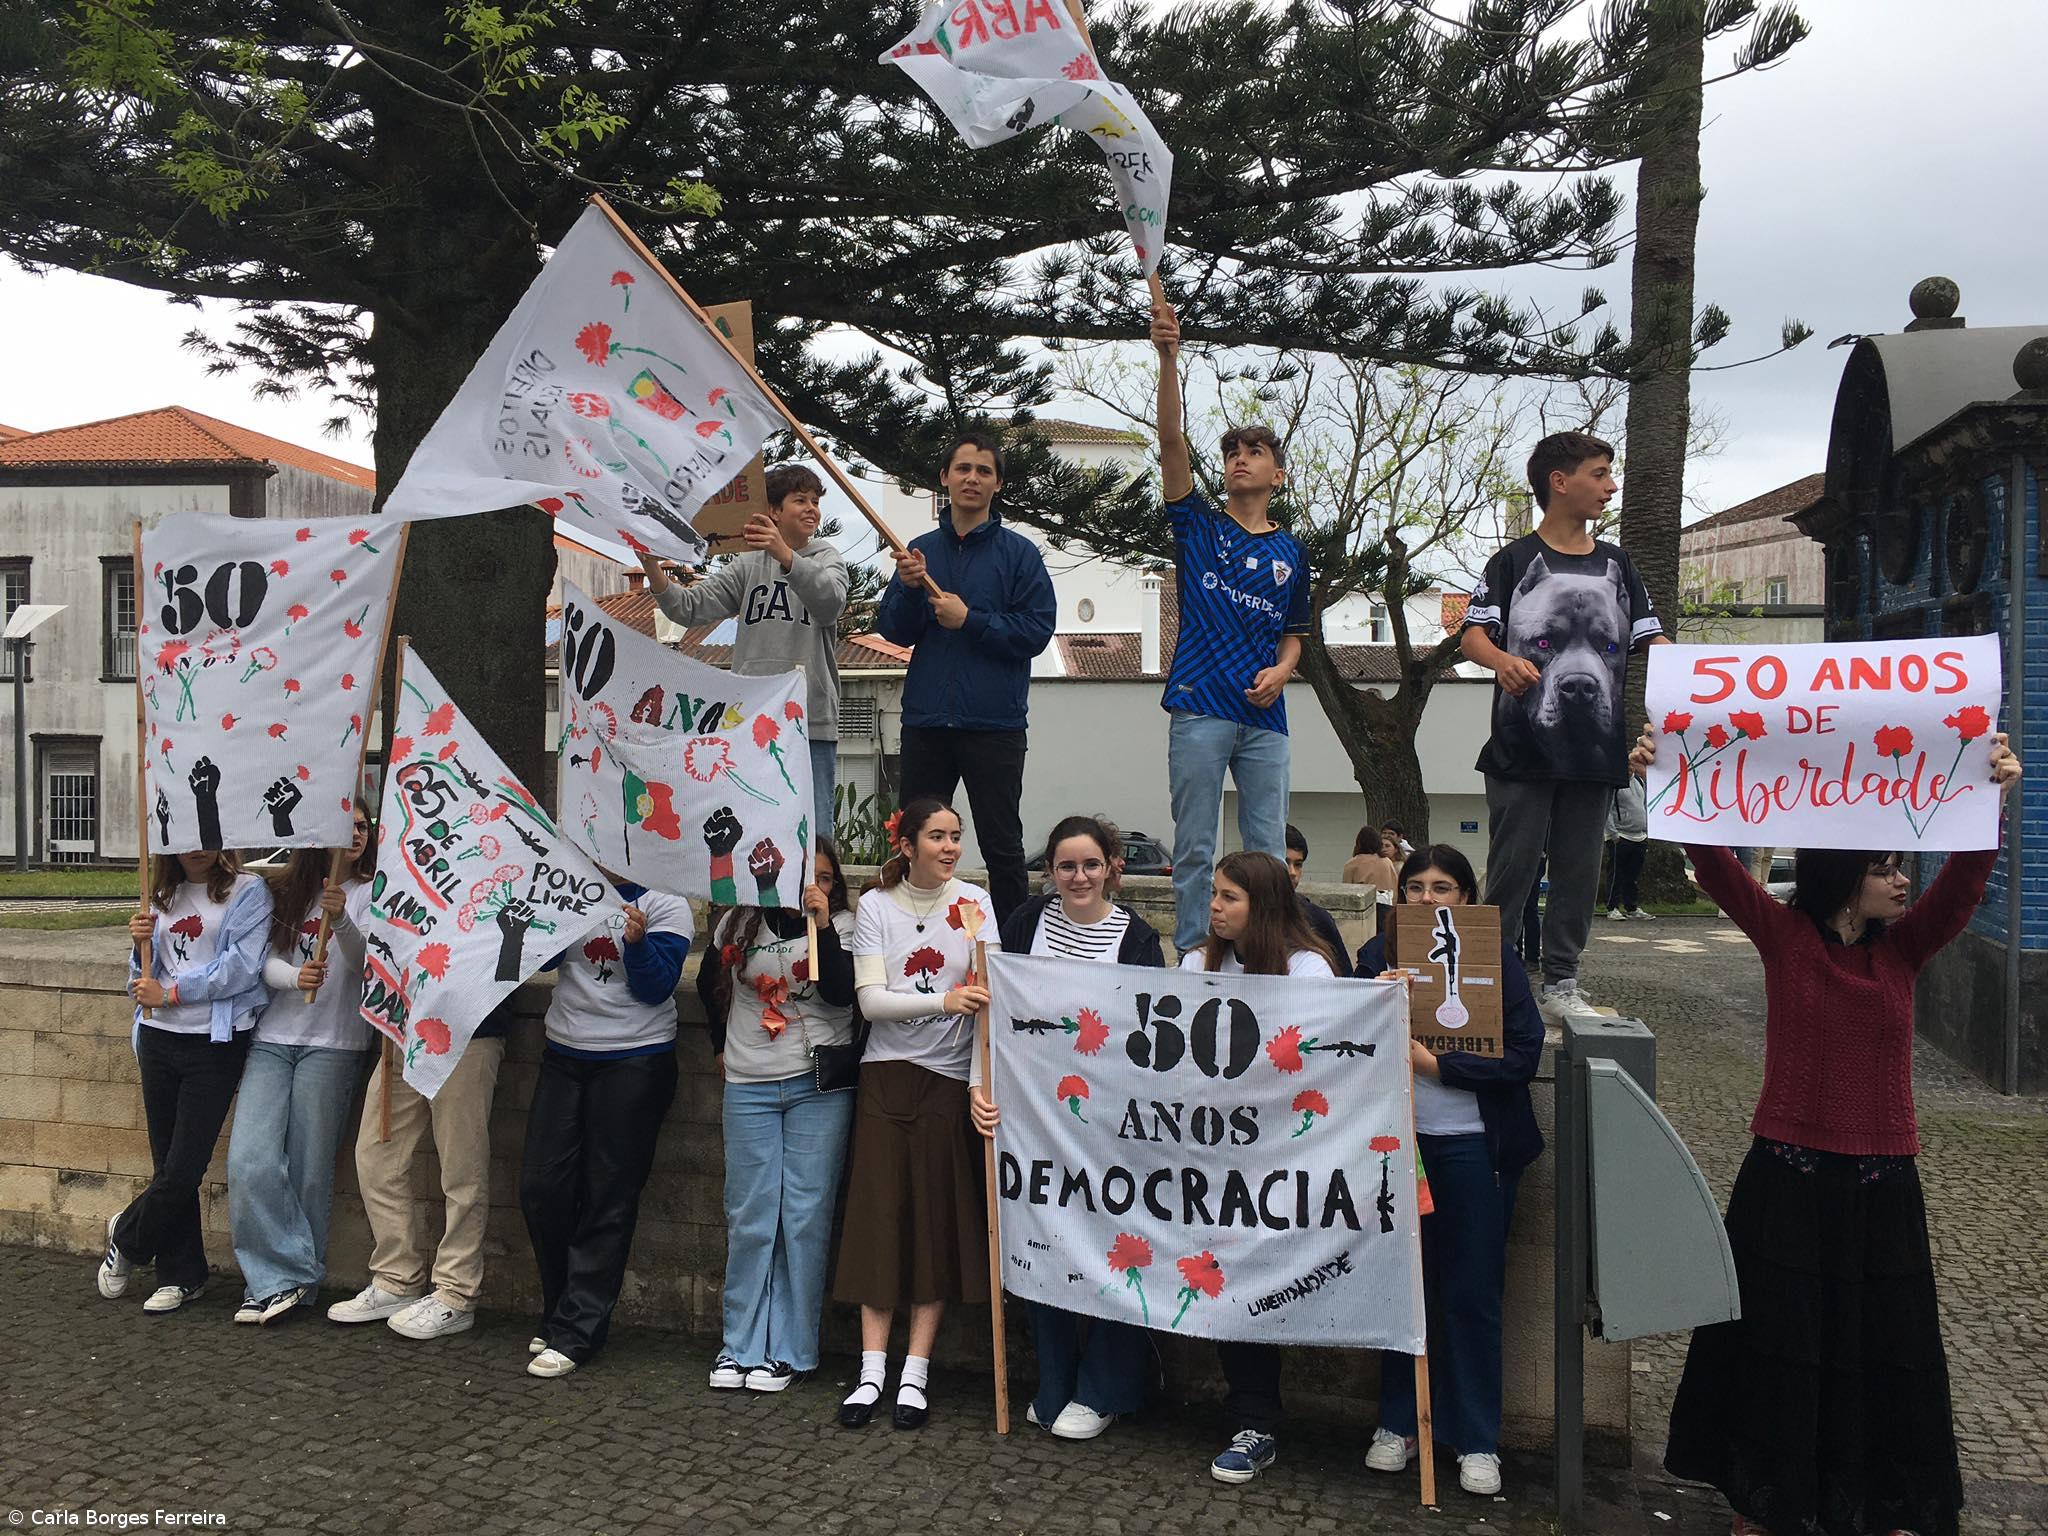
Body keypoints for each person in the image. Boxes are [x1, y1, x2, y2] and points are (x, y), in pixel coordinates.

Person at [1632, 722, 2020, 1536]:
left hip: (1881, 1183)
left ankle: (1875, 1495)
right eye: (1883, 867)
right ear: (1845, 875)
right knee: (1780, 1346)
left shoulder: (1904, 950)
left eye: (1899, 864)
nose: (1899, 878)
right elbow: (1714, 865)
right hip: (1789, 1175)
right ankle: (1766, 1497)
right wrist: (1663, 770)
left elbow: (1966, 883)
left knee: (1879, 1347)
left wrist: (1991, 793)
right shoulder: (1787, 939)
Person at [970, 814, 1165, 1441]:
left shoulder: (1137, 939)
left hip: (1110, 1123)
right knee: (1043, 1240)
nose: (1078, 876)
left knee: (1117, 1247)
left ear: (1111, 866)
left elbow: (1151, 1036)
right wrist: (982, 1085)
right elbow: (993, 1010)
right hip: (1034, 1116)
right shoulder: (1025, 923)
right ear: (1050, 871)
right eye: (1065, 866)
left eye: (1090, 864)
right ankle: (1053, 1381)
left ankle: (1104, 1386)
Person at [1357, 845, 1544, 1498]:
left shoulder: (1498, 961)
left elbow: (1523, 1055)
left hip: (1473, 1150)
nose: (1428, 899)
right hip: (1400, 1150)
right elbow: (1339, 1052)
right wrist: (1373, 1013)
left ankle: (1475, 1438)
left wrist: (1437, 1065)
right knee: (1404, 1291)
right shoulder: (1373, 961)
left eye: (1444, 887)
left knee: (1471, 1293)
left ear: (1467, 898)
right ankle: (1399, 1423)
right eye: (1415, 887)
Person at [1460, 431, 1666, 1021]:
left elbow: (1656, 643)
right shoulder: (1514, 562)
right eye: (1600, 474)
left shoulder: (1619, 567)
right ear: (1560, 481)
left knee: (1579, 873)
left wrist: (1712, 689)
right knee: (1511, 870)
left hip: (1597, 754)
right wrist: (1503, 660)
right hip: (1520, 750)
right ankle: (1487, 981)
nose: (1611, 485)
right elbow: (1473, 634)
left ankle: (1562, 984)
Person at [831, 799, 999, 1430]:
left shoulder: (976, 905)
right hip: (886, 1078)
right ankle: (871, 1368)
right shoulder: (876, 907)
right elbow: (872, 1001)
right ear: (908, 845)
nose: (951, 846)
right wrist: (945, 998)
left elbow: (992, 1009)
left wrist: (981, 1088)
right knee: (880, 1219)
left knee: (932, 1224)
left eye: (957, 835)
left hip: (949, 1082)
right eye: (938, 836)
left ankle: (915, 1373)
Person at [1151, 301, 1314, 954]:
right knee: (1194, 844)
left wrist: (1285, 667)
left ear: (1278, 474)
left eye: (1255, 452)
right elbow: (1169, 441)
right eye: (1233, 453)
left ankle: (1267, 954)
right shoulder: (1198, 525)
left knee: (1268, 848)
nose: (1240, 460)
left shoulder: (1292, 552)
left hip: (1264, 716)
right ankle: (1196, 952)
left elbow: (1294, 631)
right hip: (1199, 706)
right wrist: (1168, 359)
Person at [1178, 850, 1336, 1484]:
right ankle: (1251, 1414)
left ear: (1263, 906)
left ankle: (1260, 1418)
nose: (1213, 907)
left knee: (1268, 1281)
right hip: (1213, 1158)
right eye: (1213, 895)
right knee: (1226, 1279)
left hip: (1286, 1158)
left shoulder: (1308, 968)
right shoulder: (1195, 963)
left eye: (1228, 898)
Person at [695, 838, 859, 1392]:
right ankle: (740, 1344)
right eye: (805, 875)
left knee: (805, 1217)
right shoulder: (737, 926)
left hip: (818, 1085)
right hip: (749, 1084)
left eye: (827, 879)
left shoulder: (846, 928)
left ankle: (790, 1349)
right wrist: (721, 1044)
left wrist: (822, 925)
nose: (817, 885)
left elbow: (841, 994)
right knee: (750, 1215)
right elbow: (706, 987)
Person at [875, 432, 1056, 922]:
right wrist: (911, 590)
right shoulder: (919, 551)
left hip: (994, 723)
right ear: (945, 479)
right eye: (962, 469)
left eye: (983, 471)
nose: (971, 479)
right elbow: (892, 628)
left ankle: (1012, 950)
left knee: (1003, 844)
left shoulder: (1020, 555)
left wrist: (969, 619)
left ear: (998, 483)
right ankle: (911, 934)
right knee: (913, 838)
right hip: (927, 720)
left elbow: (1037, 631)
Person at [519, 877, 691, 1378]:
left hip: (636, 1060)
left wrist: (636, 945)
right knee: (540, 1187)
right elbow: (539, 960)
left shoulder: (666, 899)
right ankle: (560, 1310)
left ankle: (579, 1330)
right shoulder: (567, 884)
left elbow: (656, 986)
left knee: (607, 1195)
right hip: (565, 1054)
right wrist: (538, 911)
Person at [99, 849, 272, 1313]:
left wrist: (173, 994)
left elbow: (241, 968)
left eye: (207, 835)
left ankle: (128, 1235)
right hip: (158, 1039)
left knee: (184, 1167)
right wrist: (139, 948)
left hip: (212, 1044)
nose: (197, 847)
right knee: (167, 1165)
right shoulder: (159, 895)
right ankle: (180, 1275)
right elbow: (138, 981)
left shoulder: (248, 891)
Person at [226, 811, 377, 1325]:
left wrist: (345, 920)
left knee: (309, 1169)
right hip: (273, 1039)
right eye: (347, 823)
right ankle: (272, 1276)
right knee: (250, 1159)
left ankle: (295, 1287)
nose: (357, 832)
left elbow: (368, 967)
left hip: (335, 1044)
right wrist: (295, 977)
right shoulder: (283, 891)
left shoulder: (374, 891)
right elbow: (261, 962)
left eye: (365, 824)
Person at [641, 464, 849, 835]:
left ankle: (817, 896)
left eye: (815, 502)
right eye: (799, 500)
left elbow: (830, 602)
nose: (811, 509)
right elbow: (689, 608)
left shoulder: (827, 558)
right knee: (753, 827)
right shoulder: (748, 564)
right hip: (753, 722)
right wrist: (652, 567)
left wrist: (786, 555)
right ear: (773, 510)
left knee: (814, 831)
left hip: (810, 720)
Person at [328, 995, 514, 1341]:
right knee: (375, 1155)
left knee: (462, 1168)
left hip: (469, 1031)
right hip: (404, 1032)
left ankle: (457, 1291)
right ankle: (397, 1278)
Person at [1282, 824, 1354, 977]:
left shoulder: (1317, 919)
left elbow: (1345, 980)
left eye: (1298, 864)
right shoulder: (1241, 916)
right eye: (1284, 862)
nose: (1292, 872)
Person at [1604, 777, 1652, 921]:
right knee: (1616, 875)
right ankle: (1612, 907)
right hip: (1621, 835)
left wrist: (1647, 830)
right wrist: (1613, 833)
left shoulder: (1639, 781)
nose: (1630, 767)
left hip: (1639, 835)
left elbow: (1645, 805)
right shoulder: (1615, 782)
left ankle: (1631, 906)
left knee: (1633, 875)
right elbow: (1608, 808)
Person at [1341, 826, 1399, 895]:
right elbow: (1395, 888)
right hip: (1386, 903)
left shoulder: (1351, 864)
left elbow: (1347, 893)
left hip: (1364, 903)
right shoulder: (1387, 862)